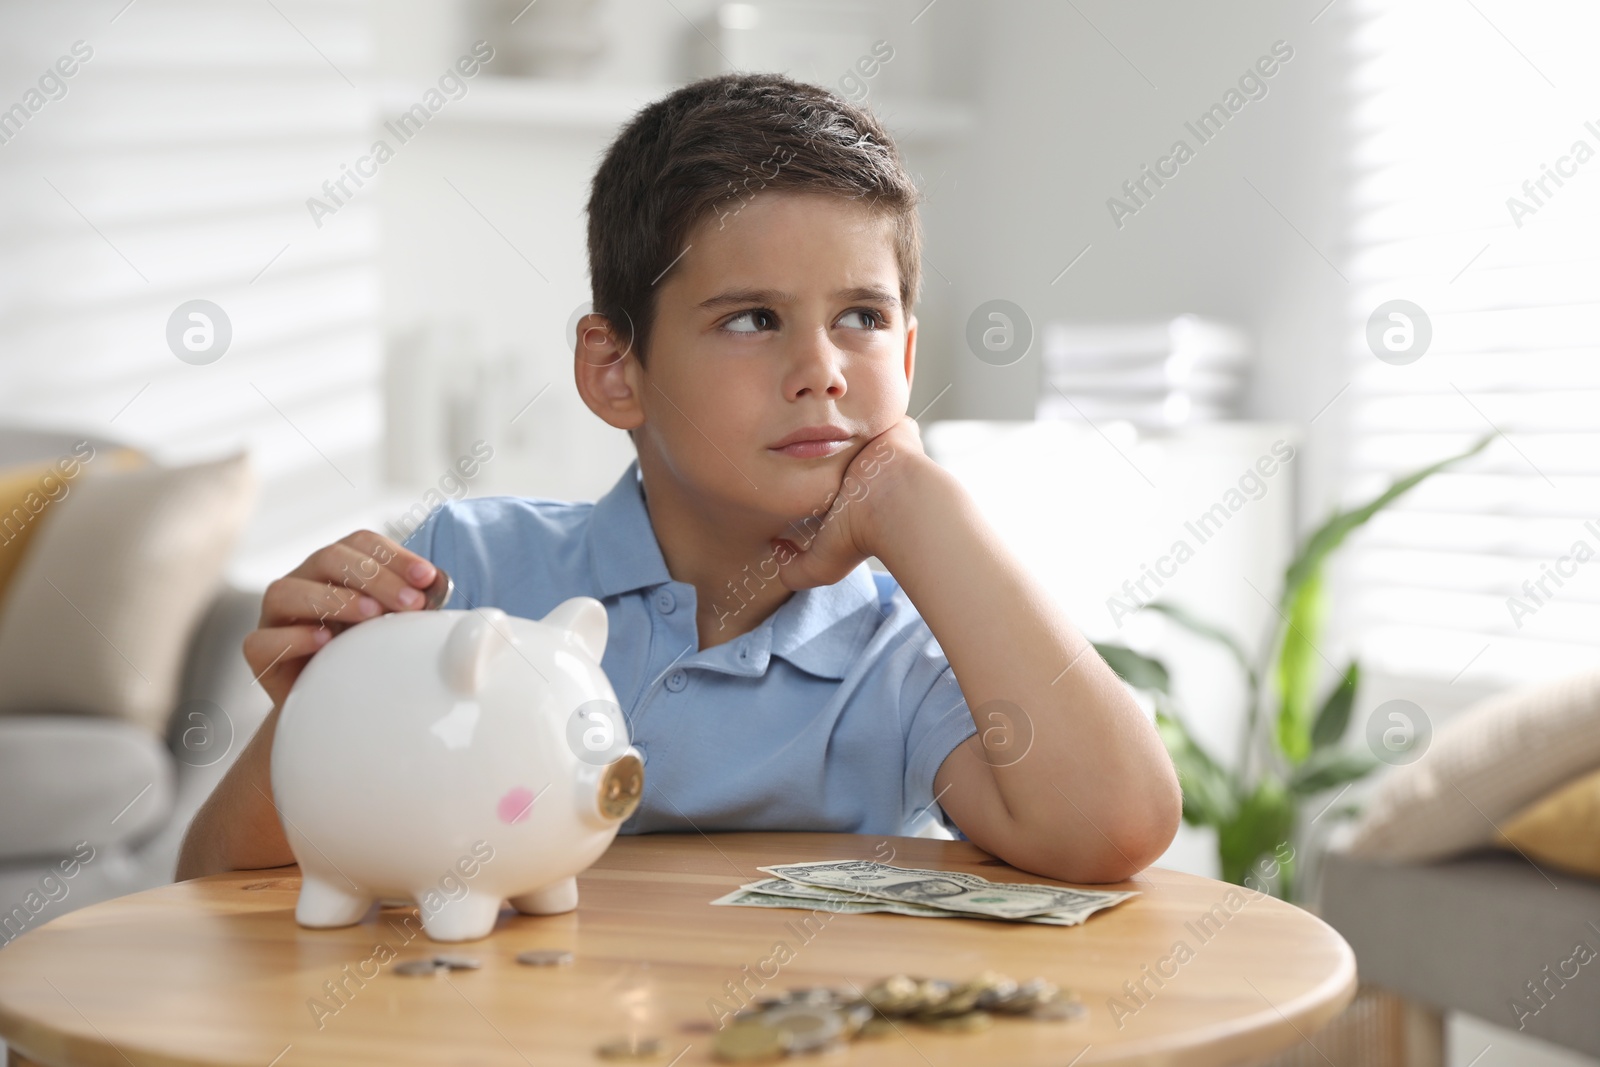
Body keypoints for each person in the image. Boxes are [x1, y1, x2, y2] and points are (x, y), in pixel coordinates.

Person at [177, 72, 1179, 886]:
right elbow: (218, 880)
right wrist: (329, 716)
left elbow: (1117, 828)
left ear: (907, 359)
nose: (824, 368)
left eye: (861, 319)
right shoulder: (463, 574)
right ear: (617, 371)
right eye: (752, 318)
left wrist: (921, 501)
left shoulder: (903, 655)